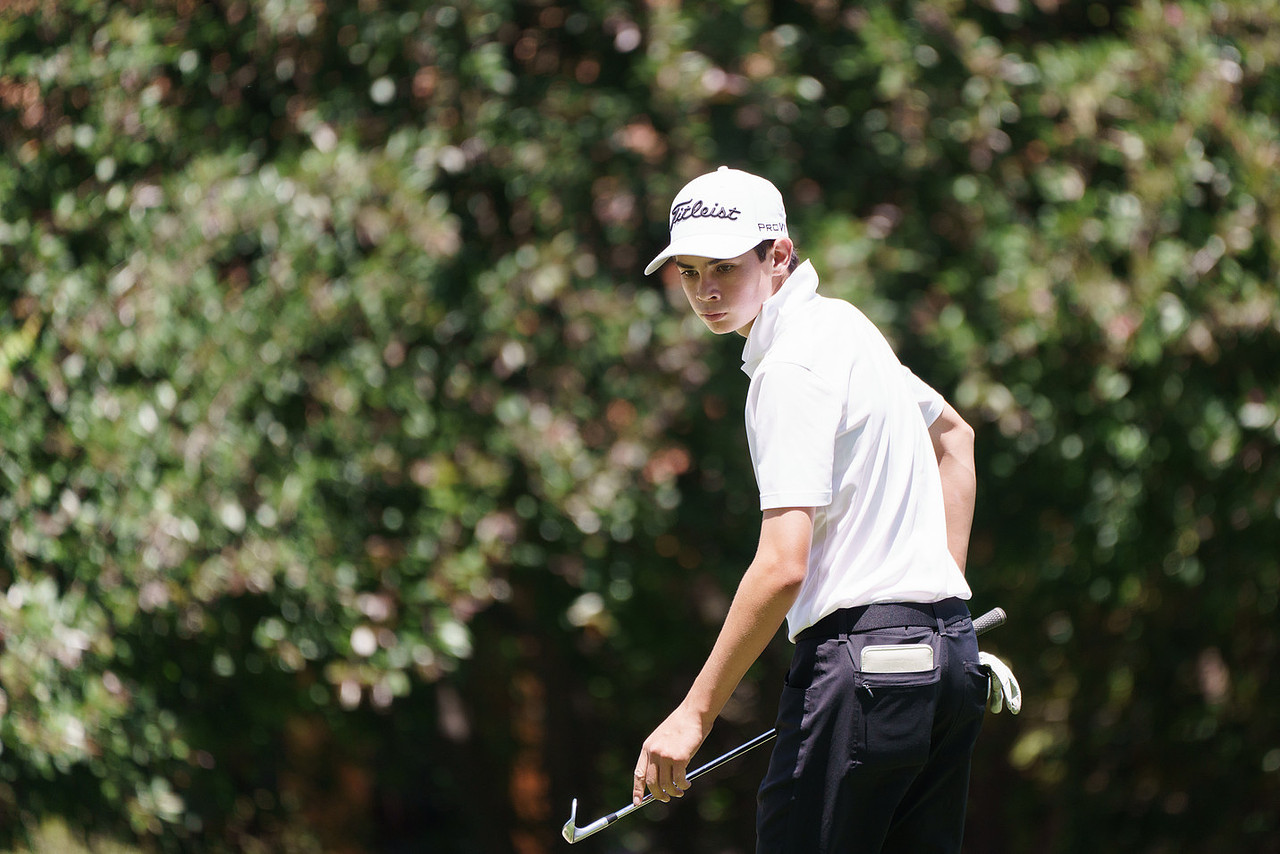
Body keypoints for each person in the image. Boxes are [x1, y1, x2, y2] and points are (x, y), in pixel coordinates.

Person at [633, 166, 987, 853]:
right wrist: (935, 614)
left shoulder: (787, 369)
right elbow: (957, 440)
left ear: (778, 255)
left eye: (725, 268)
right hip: (949, 662)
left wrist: (693, 714)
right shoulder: (844, 325)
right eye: (689, 272)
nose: (705, 291)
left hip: (863, 671)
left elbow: (782, 566)